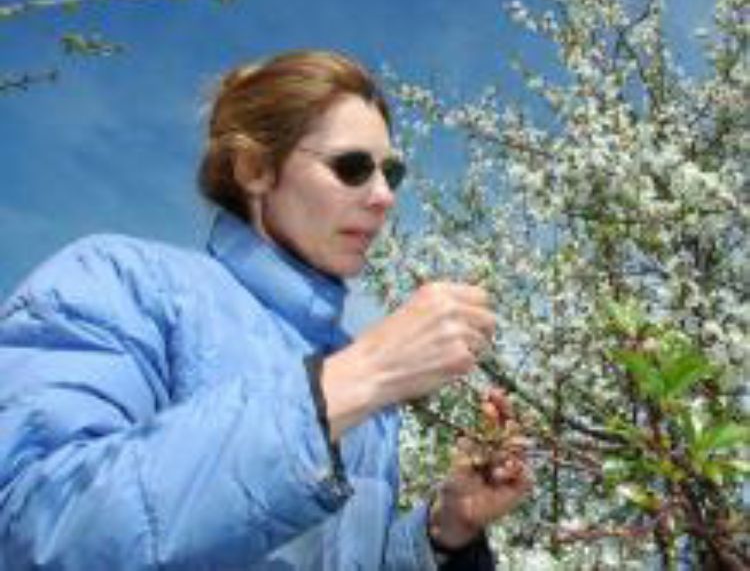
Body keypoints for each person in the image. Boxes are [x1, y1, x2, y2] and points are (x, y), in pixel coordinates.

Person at [0, 50, 532, 570]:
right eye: (352, 168)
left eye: (390, 174)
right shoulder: (121, 281)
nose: (383, 197)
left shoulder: (352, 373)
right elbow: (33, 528)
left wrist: (443, 532)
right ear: (254, 168)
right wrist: (357, 380)